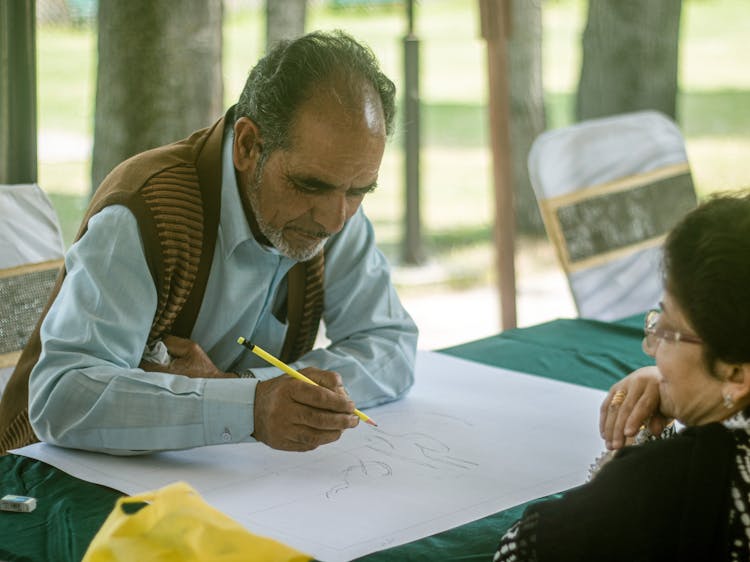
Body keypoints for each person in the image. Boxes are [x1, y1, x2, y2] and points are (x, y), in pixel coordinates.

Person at [0, 30, 418, 456]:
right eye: (309, 185)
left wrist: (241, 389)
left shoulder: (333, 203)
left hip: (214, 480)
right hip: (45, 482)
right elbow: (61, 396)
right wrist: (250, 408)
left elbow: (392, 347)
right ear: (248, 145)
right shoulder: (145, 211)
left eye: (359, 190)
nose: (335, 219)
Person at [493, 191, 750, 562]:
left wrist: (625, 463)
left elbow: (516, 552)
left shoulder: (666, 485)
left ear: (736, 375)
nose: (650, 347)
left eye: (670, 331)